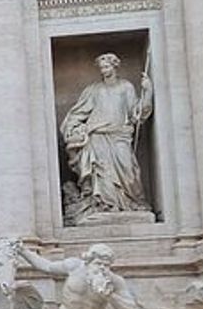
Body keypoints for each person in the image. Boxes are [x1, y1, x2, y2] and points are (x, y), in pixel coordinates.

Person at [60, 53, 153, 219]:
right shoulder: (93, 90)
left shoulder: (126, 87)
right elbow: (77, 113)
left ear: (115, 66)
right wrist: (74, 128)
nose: (104, 70)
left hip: (120, 136)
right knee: (101, 174)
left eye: (107, 67)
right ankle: (104, 205)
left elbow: (136, 114)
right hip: (97, 136)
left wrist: (147, 92)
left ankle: (130, 203)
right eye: (102, 68)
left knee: (128, 171)